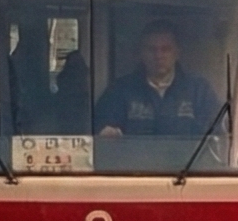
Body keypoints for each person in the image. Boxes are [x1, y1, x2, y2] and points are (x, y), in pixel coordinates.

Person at [92, 22, 222, 146]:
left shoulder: (199, 90)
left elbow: (215, 136)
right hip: (134, 167)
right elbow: (100, 131)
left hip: (185, 167)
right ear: (141, 53)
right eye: (151, 49)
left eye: (165, 49)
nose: (158, 55)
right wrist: (107, 135)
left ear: (177, 53)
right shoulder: (119, 90)